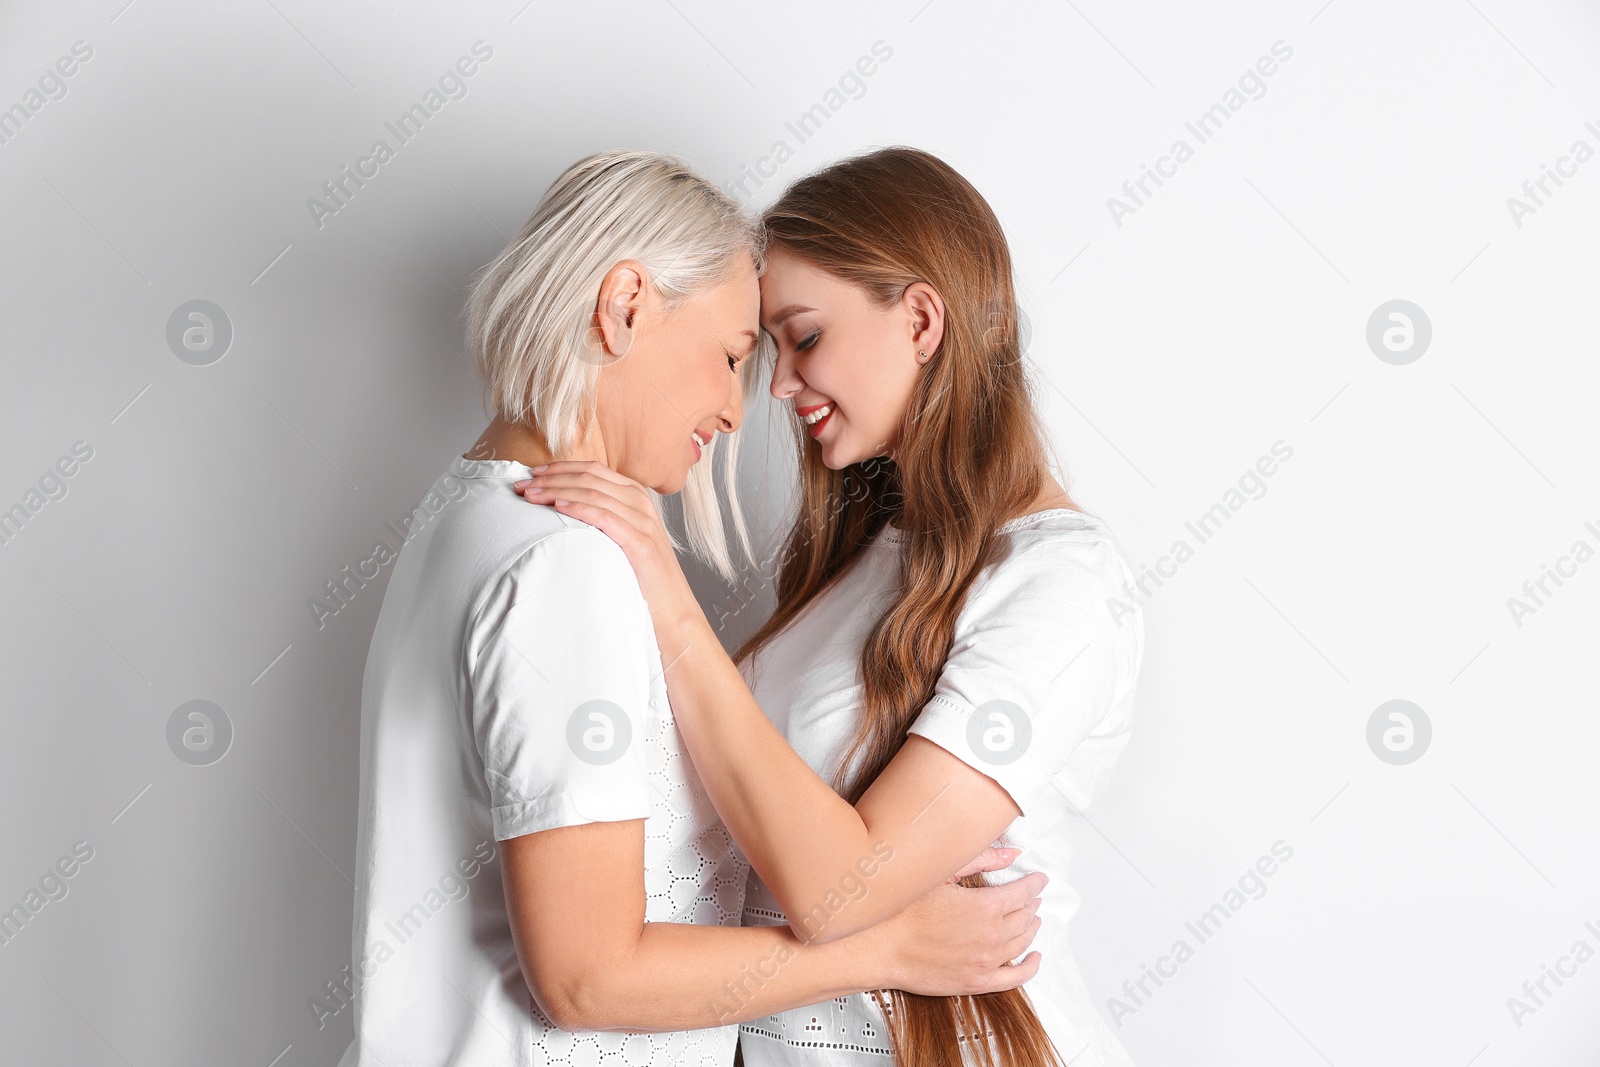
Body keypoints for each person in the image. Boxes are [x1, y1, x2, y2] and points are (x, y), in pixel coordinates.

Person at [337, 149, 1048, 1067]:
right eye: (732, 357)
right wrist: (891, 947)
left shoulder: (466, 517)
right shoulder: (564, 563)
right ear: (626, 304)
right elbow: (588, 977)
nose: (736, 409)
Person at [512, 147, 1146, 1067]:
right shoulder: (863, 562)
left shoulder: (1063, 588)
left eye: (803, 337)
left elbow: (841, 891)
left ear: (922, 318)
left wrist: (666, 596)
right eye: (766, 349)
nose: (772, 386)